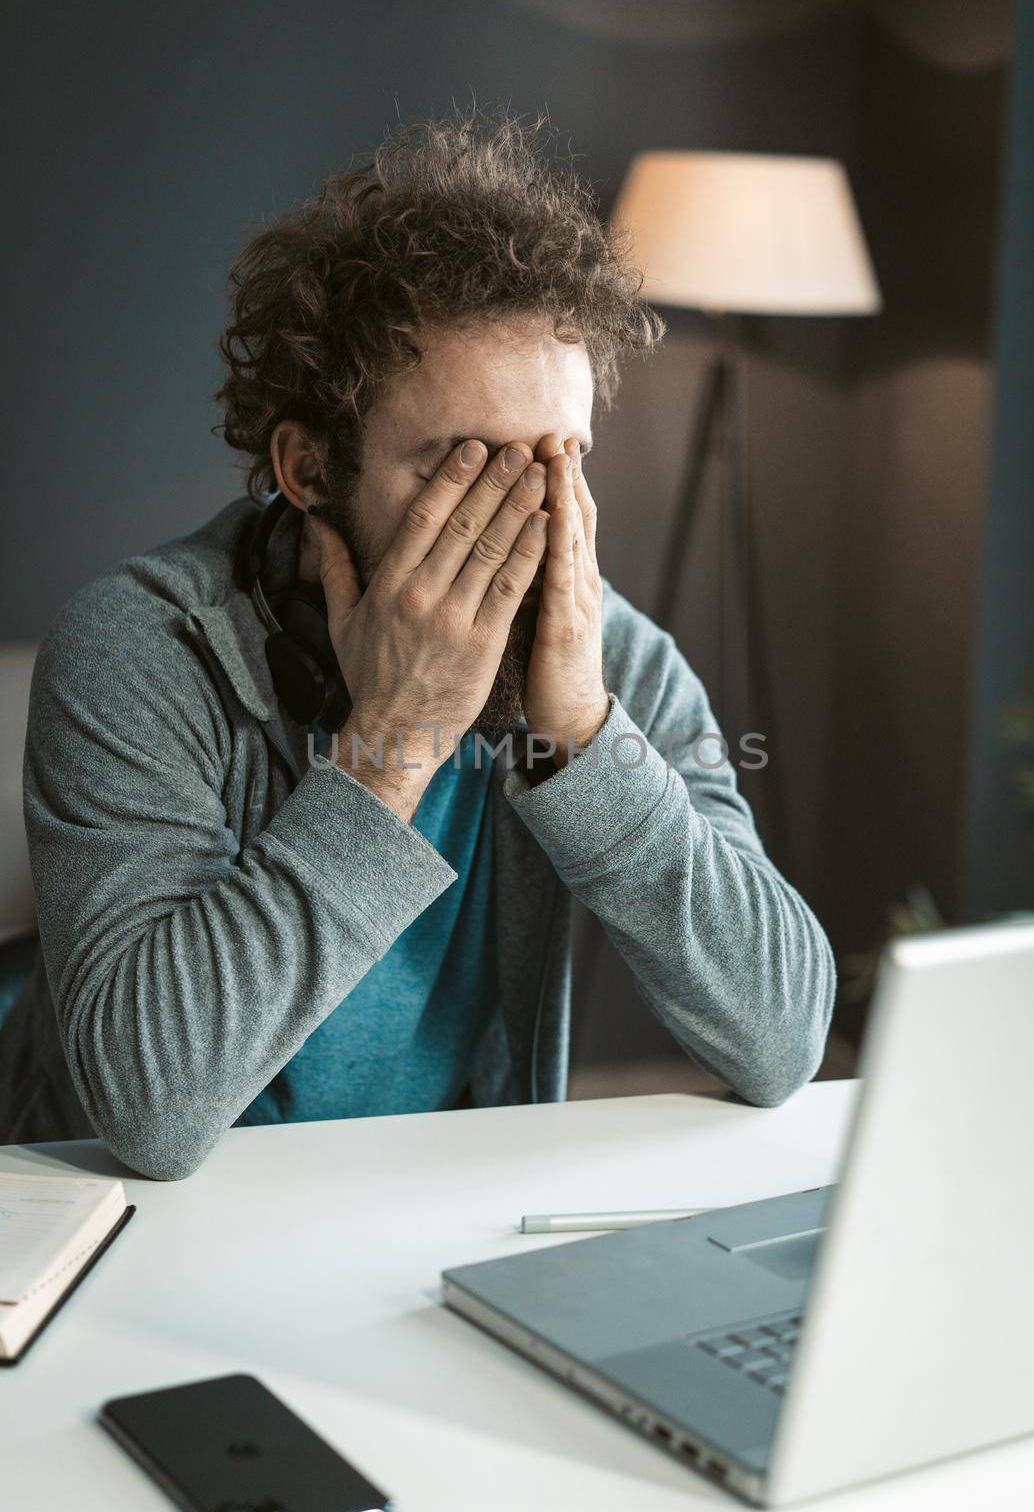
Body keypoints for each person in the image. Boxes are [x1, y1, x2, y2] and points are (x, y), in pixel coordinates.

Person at [0, 111, 835, 1179]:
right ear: (307, 470)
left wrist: (580, 737)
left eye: (556, 460)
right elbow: (150, 1109)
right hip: (119, 1238)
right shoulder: (140, 647)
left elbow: (781, 1040)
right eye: (463, 468)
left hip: (435, 1217)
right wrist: (392, 739)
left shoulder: (601, 653)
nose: (523, 523)